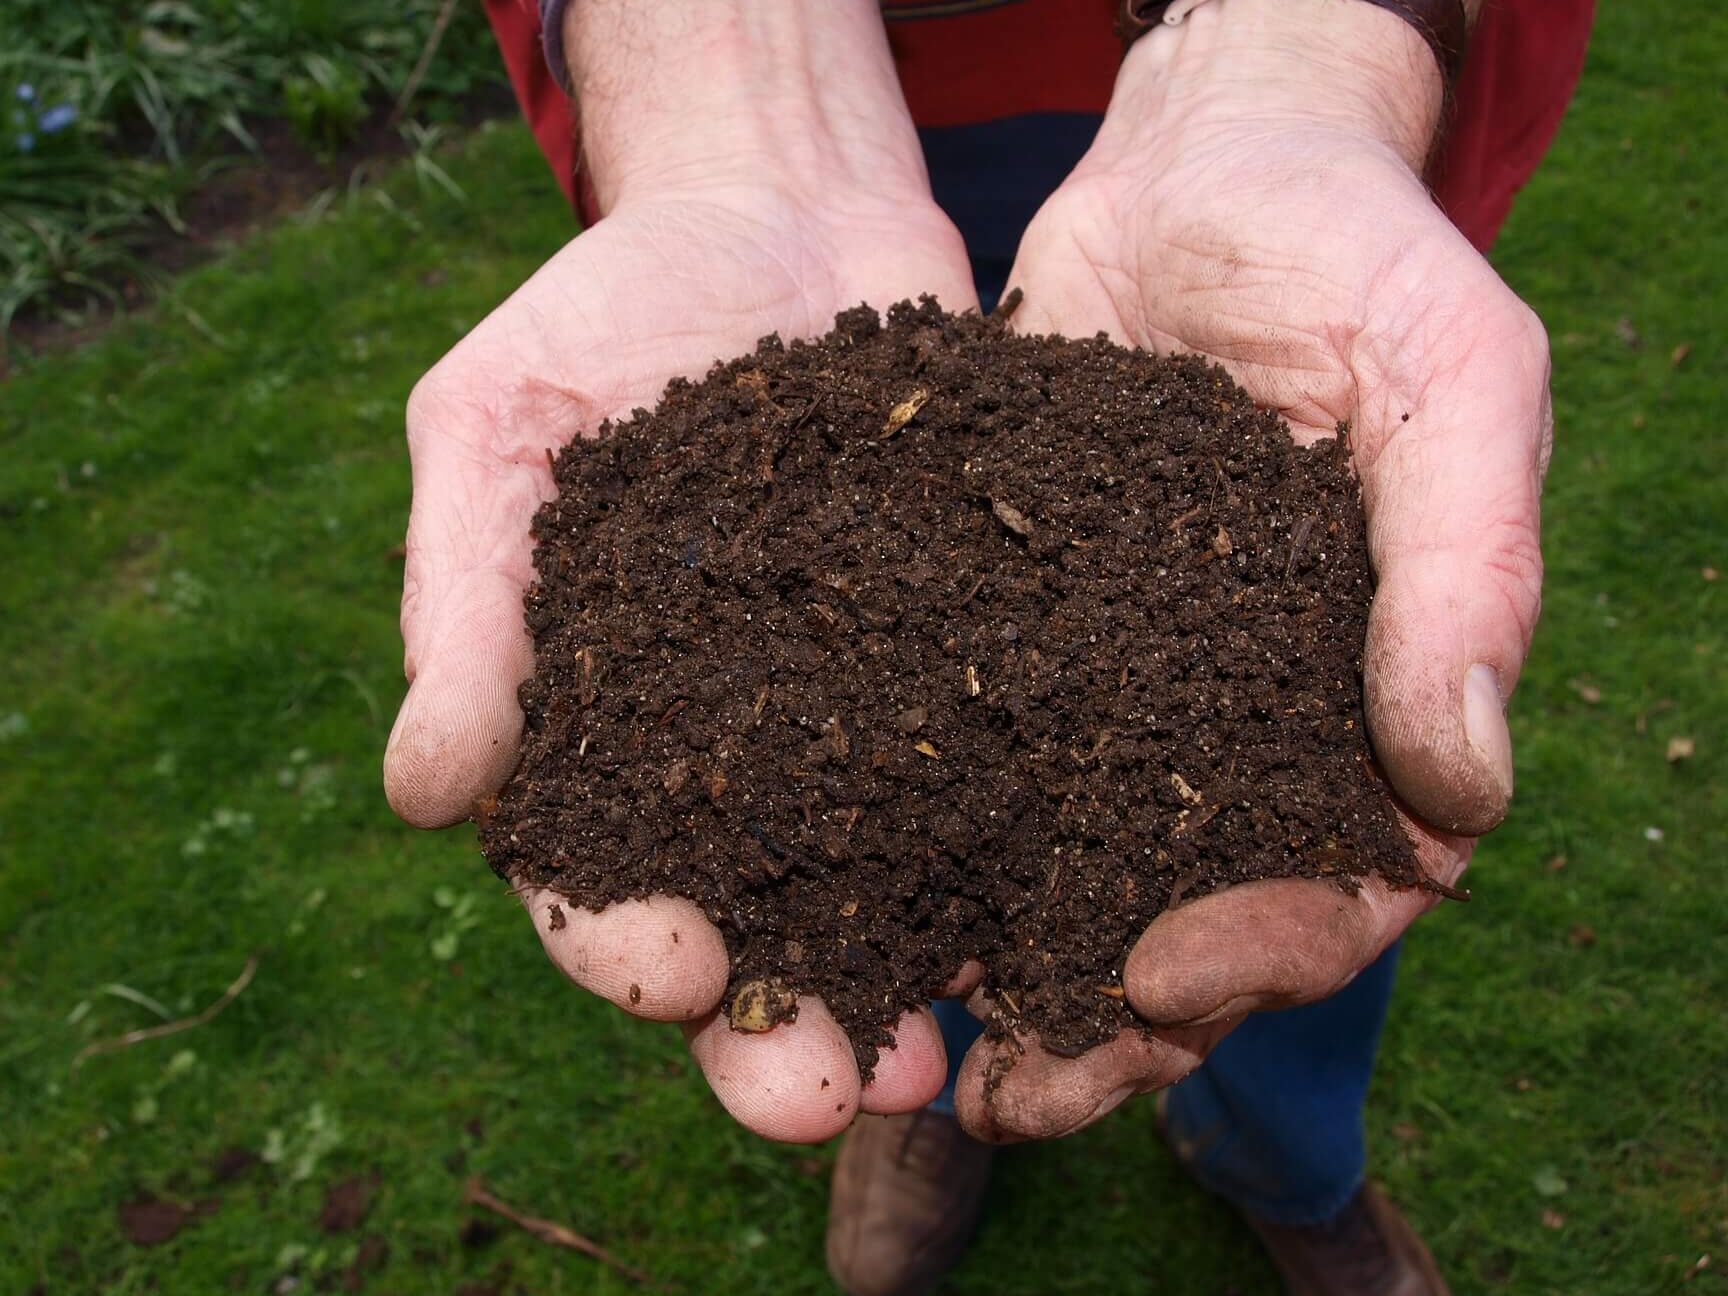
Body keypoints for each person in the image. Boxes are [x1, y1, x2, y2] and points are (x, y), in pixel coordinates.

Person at [384, 2, 1593, 1292]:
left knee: (1314, 819)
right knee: (929, 875)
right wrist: (729, 80)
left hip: (1290, 67)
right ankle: (929, 1096)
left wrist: (1304, 60)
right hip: (891, 79)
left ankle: (1289, 1164)